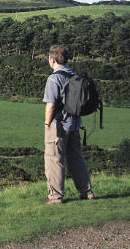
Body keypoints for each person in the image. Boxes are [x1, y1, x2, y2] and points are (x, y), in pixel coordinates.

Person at [43, 45, 95, 204]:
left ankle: (55, 196)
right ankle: (86, 192)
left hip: (58, 126)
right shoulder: (74, 75)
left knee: (54, 160)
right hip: (75, 124)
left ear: (52, 59)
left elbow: (51, 104)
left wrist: (47, 123)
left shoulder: (54, 78)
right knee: (76, 159)